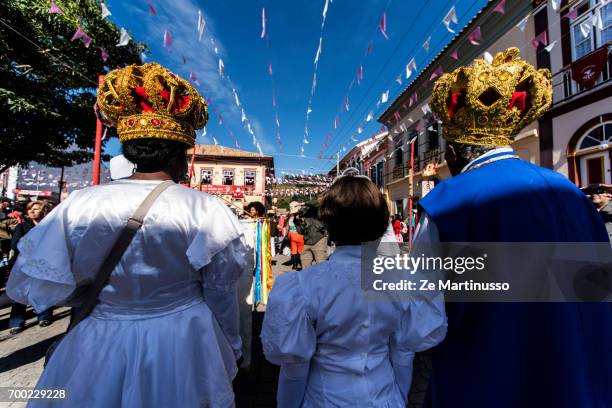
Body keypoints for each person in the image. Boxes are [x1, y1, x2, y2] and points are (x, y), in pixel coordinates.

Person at [7, 62, 246, 407]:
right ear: (181, 157)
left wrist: (107, 296)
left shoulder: (80, 203)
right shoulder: (206, 208)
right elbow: (220, 292)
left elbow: (40, 286)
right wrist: (229, 346)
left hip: (99, 338)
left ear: (131, 152)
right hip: (181, 337)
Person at [420, 48, 612, 408]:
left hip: (488, 382)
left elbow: (421, 320)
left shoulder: (446, 204)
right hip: (579, 380)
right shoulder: (575, 196)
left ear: (454, 151)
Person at [261, 175, 447, 407]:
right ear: (381, 225)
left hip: (324, 398)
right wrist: (398, 397)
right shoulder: (402, 282)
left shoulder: (304, 285)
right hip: (384, 396)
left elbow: (295, 367)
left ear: (329, 224)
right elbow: (403, 353)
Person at [8, 200, 54, 334]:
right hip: (24, 263)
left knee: (42, 290)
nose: (31, 211)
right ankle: (16, 321)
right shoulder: (22, 226)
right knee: (20, 293)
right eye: (30, 209)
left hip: (44, 263)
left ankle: (44, 316)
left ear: (44, 211)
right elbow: (15, 245)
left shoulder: (50, 226)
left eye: (35, 209)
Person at [298, 202, 328, 268]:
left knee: (321, 264)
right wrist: (297, 221)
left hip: (319, 239)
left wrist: (303, 203)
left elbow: (316, 204)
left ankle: (322, 277)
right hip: (307, 241)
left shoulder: (317, 212)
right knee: (305, 264)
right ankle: (307, 277)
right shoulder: (301, 216)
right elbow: (300, 231)